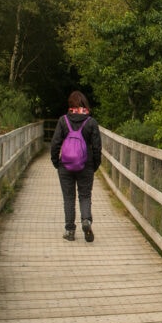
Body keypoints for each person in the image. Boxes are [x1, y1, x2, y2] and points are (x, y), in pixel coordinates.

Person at [50, 91, 102, 242]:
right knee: (85, 196)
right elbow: (97, 147)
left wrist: (56, 162)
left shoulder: (63, 120)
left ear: (70, 105)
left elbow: (55, 143)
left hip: (65, 165)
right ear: (84, 104)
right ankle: (86, 220)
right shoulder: (91, 122)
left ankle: (70, 231)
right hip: (86, 165)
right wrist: (95, 165)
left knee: (69, 198)